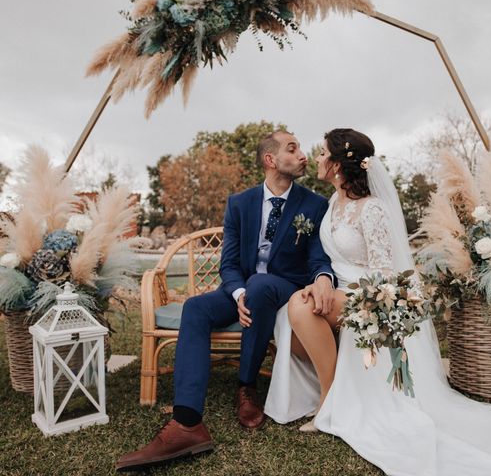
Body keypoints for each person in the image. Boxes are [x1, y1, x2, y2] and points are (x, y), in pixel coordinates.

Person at [265, 128, 491, 475]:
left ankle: (328, 401)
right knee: (294, 312)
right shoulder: (332, 202)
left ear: (338, 164)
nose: (315, 158)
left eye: (321, 153)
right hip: (339, 289)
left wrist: (356, 300)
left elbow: (382, 272)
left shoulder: (373, 208)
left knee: (298, 307)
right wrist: (322, 283)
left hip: (366, 295)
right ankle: (332, 390)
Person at [116, 131, 336, 471]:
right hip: (242, 288)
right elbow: (229, 264)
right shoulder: (240, 203)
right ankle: (187, 422)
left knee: (262, 285)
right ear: (270, 159)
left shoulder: (314, 205)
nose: (303, 155)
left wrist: (323, 278)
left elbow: (320, 257)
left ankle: (246, 386)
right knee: (196, 307)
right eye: (292, 148)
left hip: (285, 290)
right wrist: (237, 293)